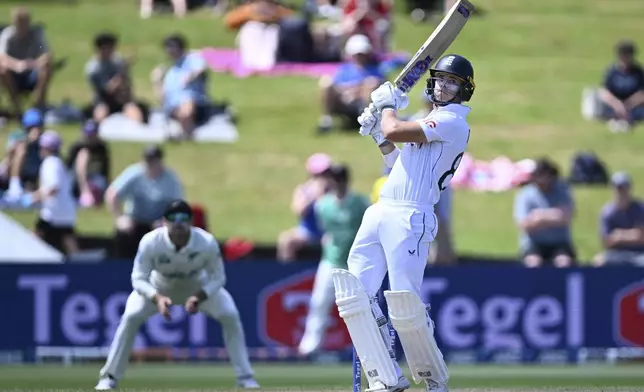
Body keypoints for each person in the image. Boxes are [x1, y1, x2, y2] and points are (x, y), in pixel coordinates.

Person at [336, 54, 475, 392]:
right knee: (356, 297)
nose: (443, 85)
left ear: (464, 90)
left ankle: (433, 380)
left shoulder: (454, 121)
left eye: (452, 81)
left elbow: (394, 128)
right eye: (440, 78)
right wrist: (378, 136)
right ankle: (385, 379)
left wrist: (386, 107)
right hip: (383, 209)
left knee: (403, 303)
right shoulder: (429, 120)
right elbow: (397, 160)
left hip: (412, 215)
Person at [95, 200, 259, 390]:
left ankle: (245, 377)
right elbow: (138, 278)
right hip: (159, 287)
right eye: (173, 218)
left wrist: (199, 296)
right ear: (165, 221)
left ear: (191, 222)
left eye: (184, 218)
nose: (178, 223)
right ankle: (109, 377)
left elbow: (218, 278)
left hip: (197, 286)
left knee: (229, 315)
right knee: (130, 317)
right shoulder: (151, 242)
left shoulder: (206, 242)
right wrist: (156, 297)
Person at [298, 163, 370, 356]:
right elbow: (323, 230)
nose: (336, 183)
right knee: (319, 302)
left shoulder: (360, 203)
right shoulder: (323, 205)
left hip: (355, 262)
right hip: (331, 261)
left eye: (338, 179)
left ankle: (368, 347)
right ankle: (309, 348)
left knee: (362, 306)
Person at [105, 145, 184, 259]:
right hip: (134, 222)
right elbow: (112, 194)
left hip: (158, 224)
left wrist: (165, 222)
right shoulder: (134, 173)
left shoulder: (171, 179)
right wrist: (119, 218)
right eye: (148, 161)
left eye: (154, 161)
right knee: (123, 235)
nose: (151, 165)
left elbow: (178, 207)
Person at [21, 131, 78, 255]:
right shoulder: (57, 162)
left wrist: (32, 198)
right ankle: (82, 267)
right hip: (66, 212)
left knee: (33, 236)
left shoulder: (50, 163)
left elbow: (52, 188)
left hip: (54, 213)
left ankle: (26, 261)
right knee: (68, 240)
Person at [513, 158, 576, 268]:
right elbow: (524, 224)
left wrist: (538, 217)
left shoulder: (563, 191)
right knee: (533, 264)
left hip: (559, 244)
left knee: (563, 263)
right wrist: (553, 215)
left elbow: (565, 217)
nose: (544, 180)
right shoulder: (525, 195)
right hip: (534, 245)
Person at [317, 34, 384, 133]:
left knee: (371, 83)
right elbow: (337, 85)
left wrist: (356, 92)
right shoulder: (345, 69)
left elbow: (378, 86)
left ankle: (371, 121)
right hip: (344, 101)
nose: (360, 57)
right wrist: (348, 92)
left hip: (363, 103)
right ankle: (327, 120)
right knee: (326, 82)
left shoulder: (375, 69)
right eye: (357, 54)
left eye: (362, 54)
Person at [277, 153, 332, 262]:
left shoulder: (335, 191)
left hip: (328, 231)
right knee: (286, 239)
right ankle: (288, 272)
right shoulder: (303, 190)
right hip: (308, 231)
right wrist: (313, 196)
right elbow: (298, 211)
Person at [155, 34, 210, 139]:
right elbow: (162, 99)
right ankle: (181, 129)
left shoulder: (191, 59)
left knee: (186, 105)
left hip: (195, 105)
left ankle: (185, 133)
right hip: (173, 108)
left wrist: (191, 76)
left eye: (172, 47)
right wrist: (156, 82)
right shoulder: (170, 72)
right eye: (167, 48)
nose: (169, 51)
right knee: (178, 110)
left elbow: (200, 69)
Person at [85, 32, 146, 123]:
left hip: (121, 99)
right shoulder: (93, 68)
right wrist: (122, 71)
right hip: (103, 100)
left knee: (135, 113)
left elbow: (127, 84)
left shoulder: (117, 61)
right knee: (100, 116)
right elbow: (108, 89)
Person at [0, 7, 52, 114]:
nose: (22, 26)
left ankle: (38, 104)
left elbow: (46, 55)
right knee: (2, 70)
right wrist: (18, 65)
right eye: (19, 23)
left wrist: (32, 64)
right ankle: (16, 106)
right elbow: (2, 57)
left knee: (46, 67)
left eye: (24, 23)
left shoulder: (37, 33)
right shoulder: (8, 35)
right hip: (14, 74)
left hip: (33, 72)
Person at [595, 172, 644, 266]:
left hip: (640, 252)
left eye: (624, 188)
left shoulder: (640, 209)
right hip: (617, 253)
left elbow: (642, 237)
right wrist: (633, 234)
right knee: (600, 261)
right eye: (618, 188)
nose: (621, 192)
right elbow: (606, 242)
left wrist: (619, 235)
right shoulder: (607, 212)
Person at [598, 40, 644, 133]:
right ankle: (617, 119)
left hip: (633, 106)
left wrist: (628, 105)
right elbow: (604, 92)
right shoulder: (611, 71)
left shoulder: (638, 72)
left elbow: (642, 93)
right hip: (615, 104)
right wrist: (617, 105)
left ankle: (625, 120)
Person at [66, 120, 111, 207]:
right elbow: (68, 167)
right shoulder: (77, 147)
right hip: (76, 177)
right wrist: (84, 189)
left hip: (94, 176)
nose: (90, 137)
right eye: (88, 134)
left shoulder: (101, 147)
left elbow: (105, 168)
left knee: (101, 183)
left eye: (92, 134)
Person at [5, 108, 45, 200]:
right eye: (32, 127)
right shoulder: (17, 135)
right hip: (14, 171)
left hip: (34, 174)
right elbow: (9, 154)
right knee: (21, 149)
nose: (36, 130)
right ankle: (14, 186)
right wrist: (28, 141)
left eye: (38, 127)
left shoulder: (44, 138)